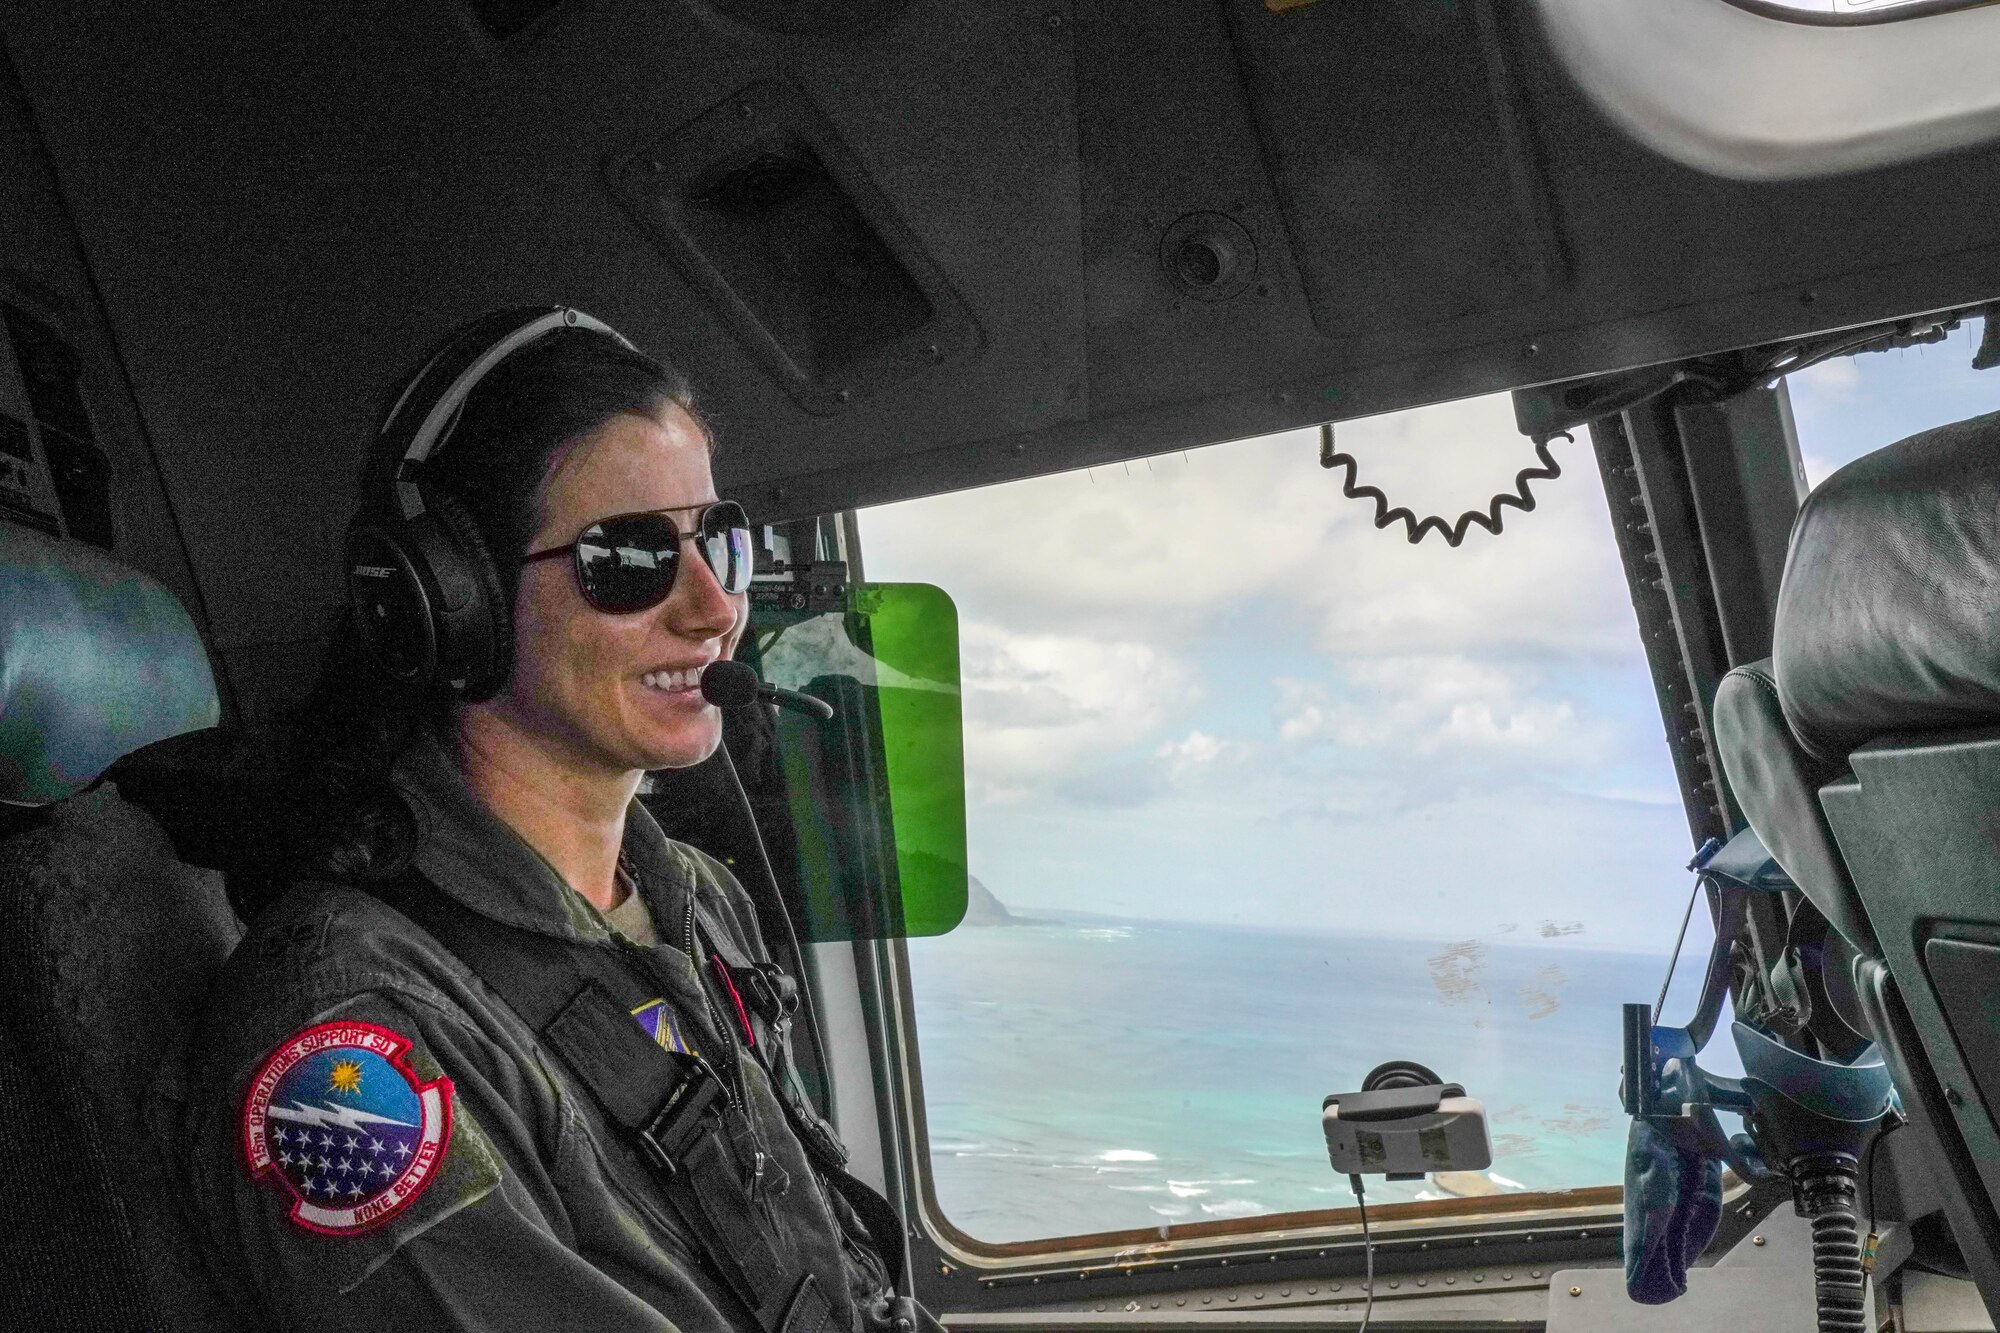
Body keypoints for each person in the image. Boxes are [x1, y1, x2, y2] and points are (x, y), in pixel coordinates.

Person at [172, 310, 903, 1332]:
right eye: (630, 557)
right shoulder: (350, 1045)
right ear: (452, 596)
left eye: (717, 542)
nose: (710, 607)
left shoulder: (696, 897)